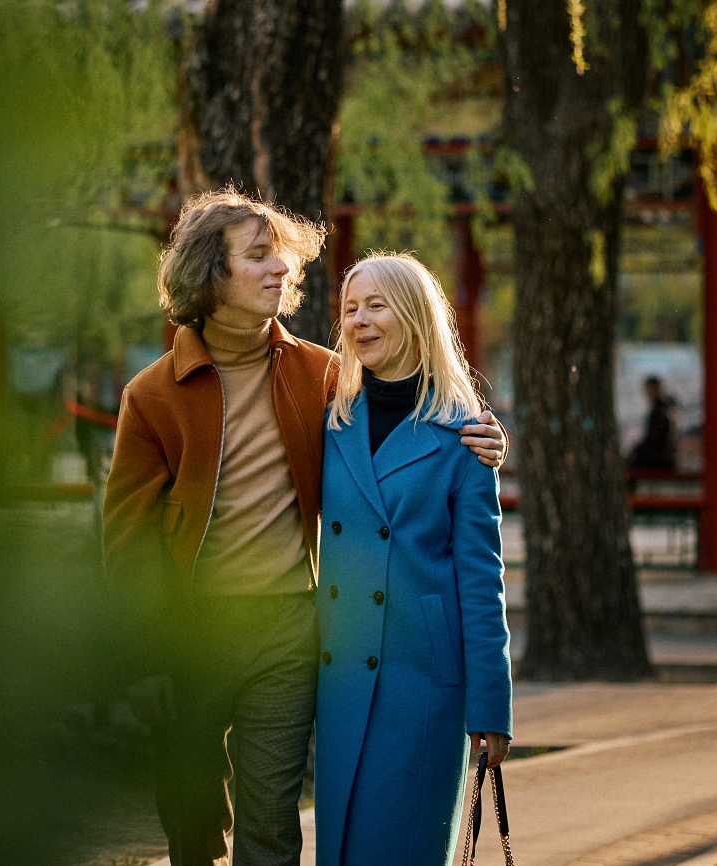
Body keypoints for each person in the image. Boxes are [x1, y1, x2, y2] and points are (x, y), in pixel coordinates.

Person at [101, 190, 507, 866]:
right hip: (191, 632)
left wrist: (485, 437)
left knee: (272, 824)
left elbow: (407, 418)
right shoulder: (153, 396)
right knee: (191, 820)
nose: (280, 271)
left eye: (281, 257)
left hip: (288, 631)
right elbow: (127, 543)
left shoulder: (321, 375)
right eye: (258, 258)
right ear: (210, 273)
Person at [314, 252, 513, 866]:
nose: (359, 320)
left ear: (417, 317)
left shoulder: (463, 436)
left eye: (376, 305)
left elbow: (481, 583)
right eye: (350, 308)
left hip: (422, 681)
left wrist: (491, 703)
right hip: (341, 672)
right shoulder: (329, 422)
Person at [627, 374, 677, 471]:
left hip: (659, 457)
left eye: (649, 389)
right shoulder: (662, 407)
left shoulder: (659, 409)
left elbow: (654, 438)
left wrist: (637, 449)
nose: (647, 392)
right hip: (662, 455)